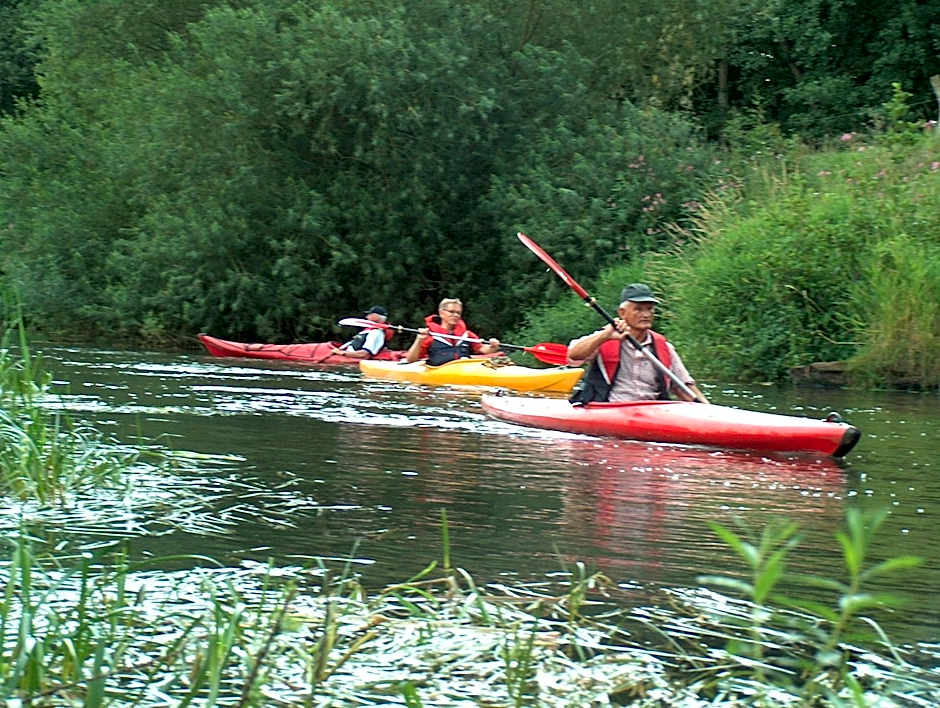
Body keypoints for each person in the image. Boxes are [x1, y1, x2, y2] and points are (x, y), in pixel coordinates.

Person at [566, 284, 708, 404]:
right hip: (610, 409)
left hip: (652, 412)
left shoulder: (664, 347)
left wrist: (708, 410)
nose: (646, 314)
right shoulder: (606, 337)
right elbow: (574, 355)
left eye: (649, 309)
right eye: (638, 309)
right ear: (622, 313)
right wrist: (605, 336)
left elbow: (684, 387)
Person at [405, 298, 501, 365]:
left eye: (458, 313)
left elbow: (484, 350)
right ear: (441, 313)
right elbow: (411, 359)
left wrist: (493, 346)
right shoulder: (430, 335)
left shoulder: (466, 334)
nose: (455, 315)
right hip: (439, 371)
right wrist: (419, 340)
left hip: (463, 368)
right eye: (451, 312)